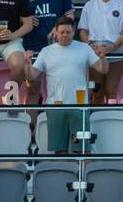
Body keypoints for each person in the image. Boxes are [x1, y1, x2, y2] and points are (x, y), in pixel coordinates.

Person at [21, 17, 105, 152]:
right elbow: (31, 75)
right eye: (62, 32)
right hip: (55, 106)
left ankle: (81, 173)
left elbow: (102, 69)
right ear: (56, 32)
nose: (65, 35)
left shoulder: (84, 48)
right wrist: (27, 63)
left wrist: (102, 57)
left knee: (82, 150)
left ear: (73, 32)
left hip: (80, 106)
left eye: (68, 32)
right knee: (59, 151)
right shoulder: (46, 51)